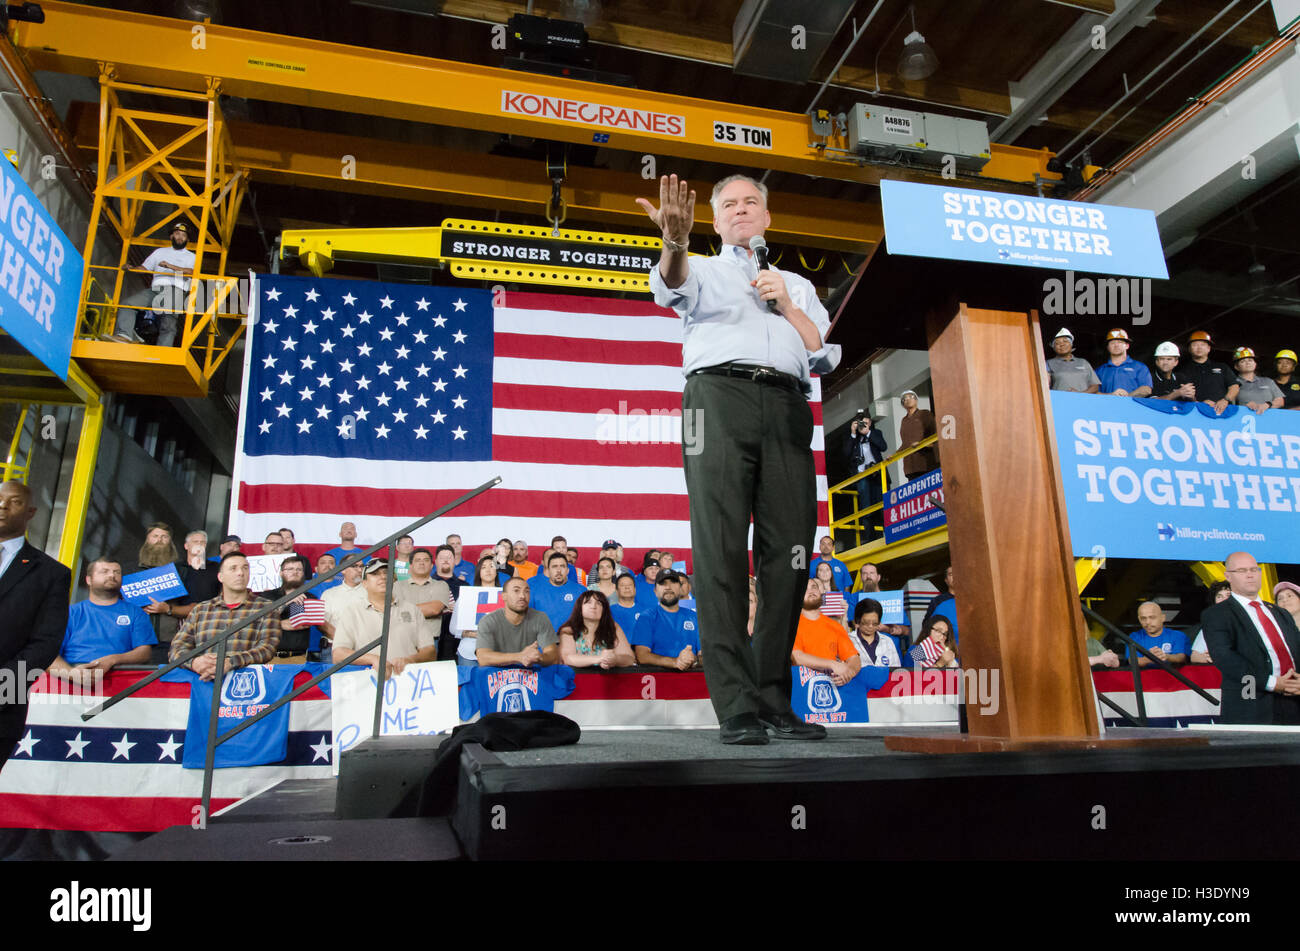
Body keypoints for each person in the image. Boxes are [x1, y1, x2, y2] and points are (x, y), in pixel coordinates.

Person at [643, 172, 835, 744]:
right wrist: (675, 241)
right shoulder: (704, 268)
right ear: (718, 219)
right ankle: (735, 705)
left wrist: (783, 303)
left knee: (792, 553)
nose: (742, 210)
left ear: (768, 217)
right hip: (716, 401)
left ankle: (774, 697)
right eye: (729, 204)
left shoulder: (796, 284)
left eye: (752, 201)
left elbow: (821, 353)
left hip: (787, 405)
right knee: (721, 546)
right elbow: (671, 284)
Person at [0, 482, 70, 769]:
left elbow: (45, 643)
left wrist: (4, 690)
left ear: (30, 512)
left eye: (13, 501)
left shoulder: (51, 573)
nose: (2, 506)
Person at [1201, 551, 1300, 724]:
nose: (1250, 575)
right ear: (1228, 576)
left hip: (1294, 701)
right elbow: (1225, 657)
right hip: (1252, 705)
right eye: (1242, 570)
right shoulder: (1217, 614)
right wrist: (1271, 682)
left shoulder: (1281, 613)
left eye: (1254, 569)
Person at [169, 551, 279, 681]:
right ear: (220, 577)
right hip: (202, 683)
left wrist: (230, 663)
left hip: (247, 686)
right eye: (233, 568)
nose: (240, 573)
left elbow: (267, 649)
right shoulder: (200, 610)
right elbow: (176, 648)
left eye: (245, 568)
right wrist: (195, 663)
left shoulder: (267, 608)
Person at [50, 558, 155, 681]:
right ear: (89, 580)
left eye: (117, 572)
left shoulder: (136, 612)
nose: (112, 575)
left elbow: (144, 653)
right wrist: (71, 674)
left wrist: (112, 660)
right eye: (104, 571)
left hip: (120, 679)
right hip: (70, 678)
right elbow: (49, 655)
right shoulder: (70, 613)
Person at [331, 560, 434, 676]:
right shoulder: (352, 612)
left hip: (408, 681)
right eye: (375, 574)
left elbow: (430, 651)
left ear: (394, 580)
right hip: (368, 684)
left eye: (387, 573)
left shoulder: (412, 610)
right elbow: (338, 654)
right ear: (364, 583)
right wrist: (372, 659)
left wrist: (411, 660)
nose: (383, 577)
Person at [112, 220, 194, 347]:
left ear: (187, 239)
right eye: (177, 234)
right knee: (127, 304)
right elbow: (145, 268)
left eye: (183, 235)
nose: (180, 237)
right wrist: (131, 268)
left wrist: (170, 266)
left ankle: (163, 351)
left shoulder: (191, 257)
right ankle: (124, 335)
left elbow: (191, 272)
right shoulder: (160, 252)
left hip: (175, 290)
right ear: (171, 236)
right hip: (155, 289)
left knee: (168, 322)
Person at [475, 576, 559, 668]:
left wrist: (539, 657)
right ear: (504, 596)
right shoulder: (488, 621)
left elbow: (553, 656)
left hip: (529, 676)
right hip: (496, 676)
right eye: (516, 591)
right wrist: (519, 657)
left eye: (526, 591)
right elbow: (483, 658)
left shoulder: (540, 618)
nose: (522, 596)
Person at [792, 579, 861, 686]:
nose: (811, 591)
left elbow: (854, 658)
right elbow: (797, 657)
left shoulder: (835, 626)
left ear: (821, 592)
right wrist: (832, 664)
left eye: (814, 587)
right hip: (801, 688)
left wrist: (848, 673)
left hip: (831, 687)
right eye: (805, 589)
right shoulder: (790, 625)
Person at [261, 555, 330, 661]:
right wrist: (287, 602)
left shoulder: (310, 597)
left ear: (303, 574)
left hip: (298, 657)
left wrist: (274, 623)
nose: (295, 572)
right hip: (268, 657)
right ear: (281, 573)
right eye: (290, 569)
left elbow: (302, 624)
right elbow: (260, 622)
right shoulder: (267, 596)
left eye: (299, 569)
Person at [631, 570, 702, 671]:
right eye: (663, 583)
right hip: (660, 681)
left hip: (691, 680)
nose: (668, 587)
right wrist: (675, 662)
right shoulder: (646, 617)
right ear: (655, 591)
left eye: (673, 583)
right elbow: (642, 656)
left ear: (680, 588)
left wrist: (695, 660)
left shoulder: (694, 617)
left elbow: (704, 656)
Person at [558, 590, 635, 669]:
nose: (593, 606)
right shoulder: (568, 630)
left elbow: (629, 658)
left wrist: (615, 659)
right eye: (588, 602)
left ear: (604, 610)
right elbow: (567, 658)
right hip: (575, 679)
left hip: (607, 679)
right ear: (580, 608)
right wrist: (600, 659)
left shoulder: (613, 627)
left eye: (599, 603)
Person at [393, 548, 451, 648]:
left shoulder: (441, 585)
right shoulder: (397, 585)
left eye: (426, 560)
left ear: (432, 566)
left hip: (430, 640)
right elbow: (395, 611)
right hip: (403, 638)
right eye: (417, 560)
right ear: (410, 566)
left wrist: (405, 610)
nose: (422, 563)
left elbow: (434, 609)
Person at [528, 551, 588, 633]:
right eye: (554, 566)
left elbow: (588, 621)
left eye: (562, 566)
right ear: (548, 570)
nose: (559, 570)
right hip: (543, 643)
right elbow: (528, 620)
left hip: (572, 642)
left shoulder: (581, 591)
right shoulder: (535, 590)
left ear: (567, 570)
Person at [1179, 330, 1238, 414]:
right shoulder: (1183, 371)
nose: (1199, 348)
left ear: (1209, 348)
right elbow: (1184, 393)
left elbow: (1234, 386)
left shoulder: (1222, 367)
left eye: (1202, 345)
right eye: (1195, 345)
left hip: (1223, 412)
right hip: (1197, 413)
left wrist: (1225, 400)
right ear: (1189, 349)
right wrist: (1200, 404)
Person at [1127, 601, 1189, 668]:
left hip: (1171, 677)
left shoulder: (1178, 635)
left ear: (1163, 618)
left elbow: (1182, 657)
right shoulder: (1134, 637)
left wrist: (1166, 656)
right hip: (1144, 677)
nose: (1147, 622)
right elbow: (1132, 661)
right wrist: (1149, 658)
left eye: (1152, 617)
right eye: (1143, 618)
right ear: (1139, 619)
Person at [1095, 328, 1152, 397]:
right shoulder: (1100, 370)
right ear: (1108, 347)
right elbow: (1093, 392)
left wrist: (1126, 398)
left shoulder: (1139, 367)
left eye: (1120, 342)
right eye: (1112, 343)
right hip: (1107, 406)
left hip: (1132, 407)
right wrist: (1111, 395)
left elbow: (1146, 389)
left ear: (1127, 346)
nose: (1116, 345)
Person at [432, 544, 464, 663]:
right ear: (435, 561)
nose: (445, 560)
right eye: (442, 558)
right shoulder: (428, 584)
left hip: (458, 640)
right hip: (434, 636)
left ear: (455, 561)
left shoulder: (465, 587)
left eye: (449, 557)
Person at [850, 597, 902, 669]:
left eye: (875, 623)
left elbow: (895, 671)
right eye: (866, 623)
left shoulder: (888, 642)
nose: (870, 626)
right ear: (858, 620)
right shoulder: (848, 640)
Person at [1189, 581, 1233, 664]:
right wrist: (1209, 658)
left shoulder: (1249, 623)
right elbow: (1194, 657)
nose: (1224, 600)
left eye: (1228, 595)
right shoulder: (1211, 627)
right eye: (1219, 596)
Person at [898, 389, 938, 479]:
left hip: (926, 463)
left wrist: (923, 445)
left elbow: (935, 435)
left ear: (916, 400)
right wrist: (894, 455)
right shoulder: (904, 421)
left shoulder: (925, 414)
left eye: (911, 397)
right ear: (903, 404)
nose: (908, 399)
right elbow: (905, 443)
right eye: (905, 399)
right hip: (910, 467)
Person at [1046, 327, 1100, 393]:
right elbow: (1045, 387)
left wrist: (1080, 395)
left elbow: (1095, 386)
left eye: (1065, 341)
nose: (1062, 344)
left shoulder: (1083, 362)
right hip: (1059, 401)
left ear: (1071, 344)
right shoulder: (1048, 363)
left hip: (1084, 401)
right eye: (1057, 343)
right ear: (1053, 347)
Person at [1231, 347, 1284, 413]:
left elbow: (1280, 401)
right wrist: (1244, 406)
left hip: (1270, 420)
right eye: (1242, 361)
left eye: (1250, 360)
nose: (1247, 363)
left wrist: (1267, 405)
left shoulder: (1268, 381)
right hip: (1244, 419)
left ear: (1255, 364)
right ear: (1236, 367)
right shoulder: (1232, 383)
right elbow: (1229, 405)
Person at [321, 560, 367, 625]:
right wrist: (339, 635)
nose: (360, 570)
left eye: (362, 566)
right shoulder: (329, 594)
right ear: (343, 570)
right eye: (355, 566)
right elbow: (324, 624)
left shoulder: (372, 592)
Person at [609, 573, 646, 641]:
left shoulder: (645, 611)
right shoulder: (609, 611)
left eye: (630, 585)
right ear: (617, 591)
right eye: (622, 585)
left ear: (635, 589)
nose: (627, 587)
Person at [813, 563, 848, 629]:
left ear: (831, 573)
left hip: (836, 627)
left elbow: (843, 621)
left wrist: (845, 612)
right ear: (817, 574)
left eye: (827, 570)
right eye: (821, 570)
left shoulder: (839, 593)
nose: (824, 572)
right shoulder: (813, 594)